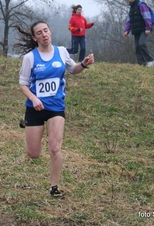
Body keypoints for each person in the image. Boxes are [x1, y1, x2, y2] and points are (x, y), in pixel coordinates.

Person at [14, 21, 94, 199]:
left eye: (45, 31)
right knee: (33, 154)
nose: (44, 35)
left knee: (55, 148)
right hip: (35, 108)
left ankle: (54, 187)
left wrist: (84, 64)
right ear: (35, 38)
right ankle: (27, 125)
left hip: (56, 108)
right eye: (39, 33)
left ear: (50, 31)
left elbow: (73, 69)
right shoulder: (30, 58)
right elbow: (23, 84)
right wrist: (34, 98)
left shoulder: (61, 52)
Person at [123, 0, 154, 67]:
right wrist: (126, 30)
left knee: (142, 43)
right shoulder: (132, 8)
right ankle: (141, 64)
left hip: (144, 29)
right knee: (137, 47)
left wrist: (148, 28)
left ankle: (150, 60)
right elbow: (129, 20)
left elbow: (147, 17)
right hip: (136, 30)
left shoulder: (141, 5)